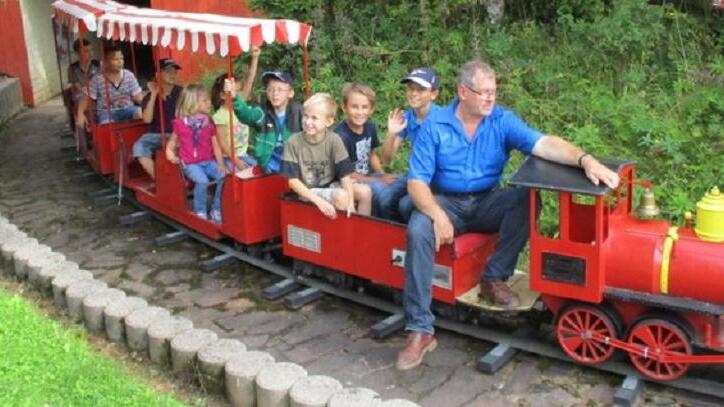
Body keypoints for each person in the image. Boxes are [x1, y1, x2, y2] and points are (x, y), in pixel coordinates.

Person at [395, 59, 620, 371]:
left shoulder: (501, 120)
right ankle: (419, 329)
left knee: (525, 199)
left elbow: (544, 144)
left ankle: (494, 278)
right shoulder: (435, 124)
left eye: (494, 92)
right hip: (444, 201)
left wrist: (585, 160)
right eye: (483, 92)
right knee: (419, 228)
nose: (490, 98)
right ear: (463, 91)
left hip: (486, 201)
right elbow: (417, 182)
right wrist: (437, 214)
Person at [280, 93, 372, 219]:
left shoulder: (334, 140)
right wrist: (319, 201)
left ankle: (361, 230)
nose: (308, 122)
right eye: (305, 116)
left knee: (365, 192)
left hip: (330, 184)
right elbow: (293, 182)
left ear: (328, 121)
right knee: (341, 196)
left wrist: (351, 203)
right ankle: (342, 234)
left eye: (314, 118)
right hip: (308, 190)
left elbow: (344, 175)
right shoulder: (293, 142)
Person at [377, 68, 441, 222]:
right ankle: (394, 240)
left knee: (406, 205)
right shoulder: (407, 117)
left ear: (433, 94)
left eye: (421, 89)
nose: (414, 93)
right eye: (411, 88)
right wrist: (391, 133)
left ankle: (419, 237)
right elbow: (386, 159)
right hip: (416, 175)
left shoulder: (442, 119)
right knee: (385, 199)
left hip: (439, 178)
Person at [165, 85, 226, 223]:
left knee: (223, 177)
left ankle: (217, 209)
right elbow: (172, 142)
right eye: (205, 101)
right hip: (191, 163)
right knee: (202, 181)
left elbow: (215, 144)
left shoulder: (208, 122)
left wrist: (221, 164)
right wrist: (170, 153)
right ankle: (200, 212)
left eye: (208, 100)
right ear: (193, 103)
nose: (209, 103)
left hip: (208, 161)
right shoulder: (181, 123)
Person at [334, 83, 395, 215]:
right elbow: (345, 174)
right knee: (379, 190)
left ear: (371, 109)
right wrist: (377, 180)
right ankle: (379, 224)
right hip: (347, 180)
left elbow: (371, 154)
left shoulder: (370, 127)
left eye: (364, 107)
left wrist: (382, 174)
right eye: (354, 107)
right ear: (344, 107)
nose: (360, 112)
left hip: (367, 175)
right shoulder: (340, 136)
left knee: (397, 181)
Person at [223, 72, 303, 173]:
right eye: (270, 89)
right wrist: (234, 97)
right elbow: (246, 115)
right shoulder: (262, 112)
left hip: (292, 161)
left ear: (290, 93)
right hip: (269, 161)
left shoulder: (299, 112)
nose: (275, 93)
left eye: (280, 89)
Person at [211, 48, 261, 173]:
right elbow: (222, 144)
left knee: (261, 172)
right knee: (240, 178)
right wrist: (236, 161)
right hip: (229, 157)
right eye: (234, 91)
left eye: (238, 90)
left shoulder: (239, 105)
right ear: (222, 95)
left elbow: (250, 80)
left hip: (244, 155)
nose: (237, 94)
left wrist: (255, 58)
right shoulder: (220, 116)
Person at [132, 58, 183, 179]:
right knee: (139, 147)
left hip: (177, 133)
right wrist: (154, 94)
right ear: (158, 74)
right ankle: (160, 180)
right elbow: (147, 120)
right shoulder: (149, 96)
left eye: (174, 72)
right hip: (156, 134)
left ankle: (183, 178)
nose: (172, 75)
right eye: (168, 71)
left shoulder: (182, 92)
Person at [76, 45, 143, 128]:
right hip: (107, 113)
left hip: (128, 109)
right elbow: (86, 98)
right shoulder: (97, 79)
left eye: (121, 58)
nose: (120, 62)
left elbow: (138, 97)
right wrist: (80, 114)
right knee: (106, 126)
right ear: (106, 62)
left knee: (141, 114)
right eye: (115, 59)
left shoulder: (129, 75)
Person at [67, 38, 100, 104]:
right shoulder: (73, 68)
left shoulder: (98, 65)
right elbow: (77, 87)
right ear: (77, 53)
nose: (91, 53)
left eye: (91, 50)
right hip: (82, 95)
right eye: (86, 51)